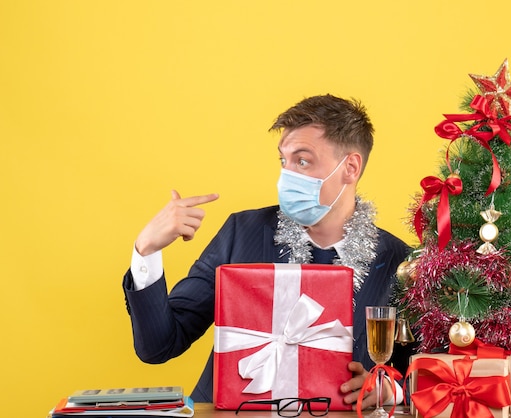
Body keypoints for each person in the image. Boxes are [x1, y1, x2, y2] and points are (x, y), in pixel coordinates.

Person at [122, 94, 411, 407]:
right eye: (283, 161)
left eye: (302, 161)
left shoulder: (401, 263)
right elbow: (159, 345)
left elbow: (430, 374)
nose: (286, 175)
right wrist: (146, 251)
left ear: (350, 168)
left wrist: (391, 391)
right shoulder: (241, 233)